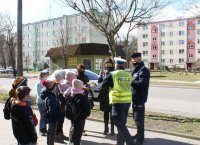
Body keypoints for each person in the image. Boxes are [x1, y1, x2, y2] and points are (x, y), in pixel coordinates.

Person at [101, 57, 135, 145]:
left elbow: (103, 85)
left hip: (117, 101)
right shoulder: (128, 75)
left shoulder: (113, 74)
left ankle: (130, 142)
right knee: (122, 122)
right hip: (127, 102)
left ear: (116, 65)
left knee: (117, 121)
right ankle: (120, 143)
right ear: (123, 65)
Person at [130, 53, 150, 145]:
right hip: (135, 98)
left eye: (133, 61)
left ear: (138, 60)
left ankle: (140, 139)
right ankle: (138, 134)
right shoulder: (136, 70)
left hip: (140, 98)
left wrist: (131, 81)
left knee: (139, 120)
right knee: (136, 118)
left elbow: (142, 84)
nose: (132, 63)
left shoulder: (143, 70)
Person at [68, 79, 91, 145]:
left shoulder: (71, 95)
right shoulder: (82, 97)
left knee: (73, 130)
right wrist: (86, 115)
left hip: (73, 117)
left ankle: (71, 142)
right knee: (78, 134)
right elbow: (87, 109)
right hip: (80, 118)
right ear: (80, 87)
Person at [98, 58, 115, 135]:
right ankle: (106, 128)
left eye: (109, 64)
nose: (108, 65)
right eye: (106, 64)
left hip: (112, 95)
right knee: (105, 112)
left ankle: (112, 129)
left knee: (112, 113)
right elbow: (100, 83)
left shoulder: (114, 72)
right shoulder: (102, 72)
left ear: (112, 64)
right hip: (104, 95)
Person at [41, 80, 61, 145]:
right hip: (53, 118)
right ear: (51, 87)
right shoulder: (51, 97)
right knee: (52, 134)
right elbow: (51, 110)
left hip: (51, 118)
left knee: (50, 132)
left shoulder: (47, 93)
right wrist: (54, 116)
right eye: (54, 86)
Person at [76, 64, 89, 136]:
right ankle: (79, 130)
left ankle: (82, 128)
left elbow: (87, 84)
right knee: (78, 114)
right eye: (80, 70)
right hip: (78, 97)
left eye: (83, 70)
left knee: (84, 113)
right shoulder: (76, 77)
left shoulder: (86, 76)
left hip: (85, 96)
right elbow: (74, 87)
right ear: (77, 70)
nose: (82, 71)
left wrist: (88, 86)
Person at [35, 71, 47, 136]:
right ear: (41, 77)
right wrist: (45, 99)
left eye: (45, 76)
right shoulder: (38, 84)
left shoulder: (45, 83)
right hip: (40, 102)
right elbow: (40, 94)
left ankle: (45, 128)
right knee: (42, 115)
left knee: (45, 115)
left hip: (45, 102)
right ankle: (41, 129)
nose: (45, 77)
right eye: (44, 76)